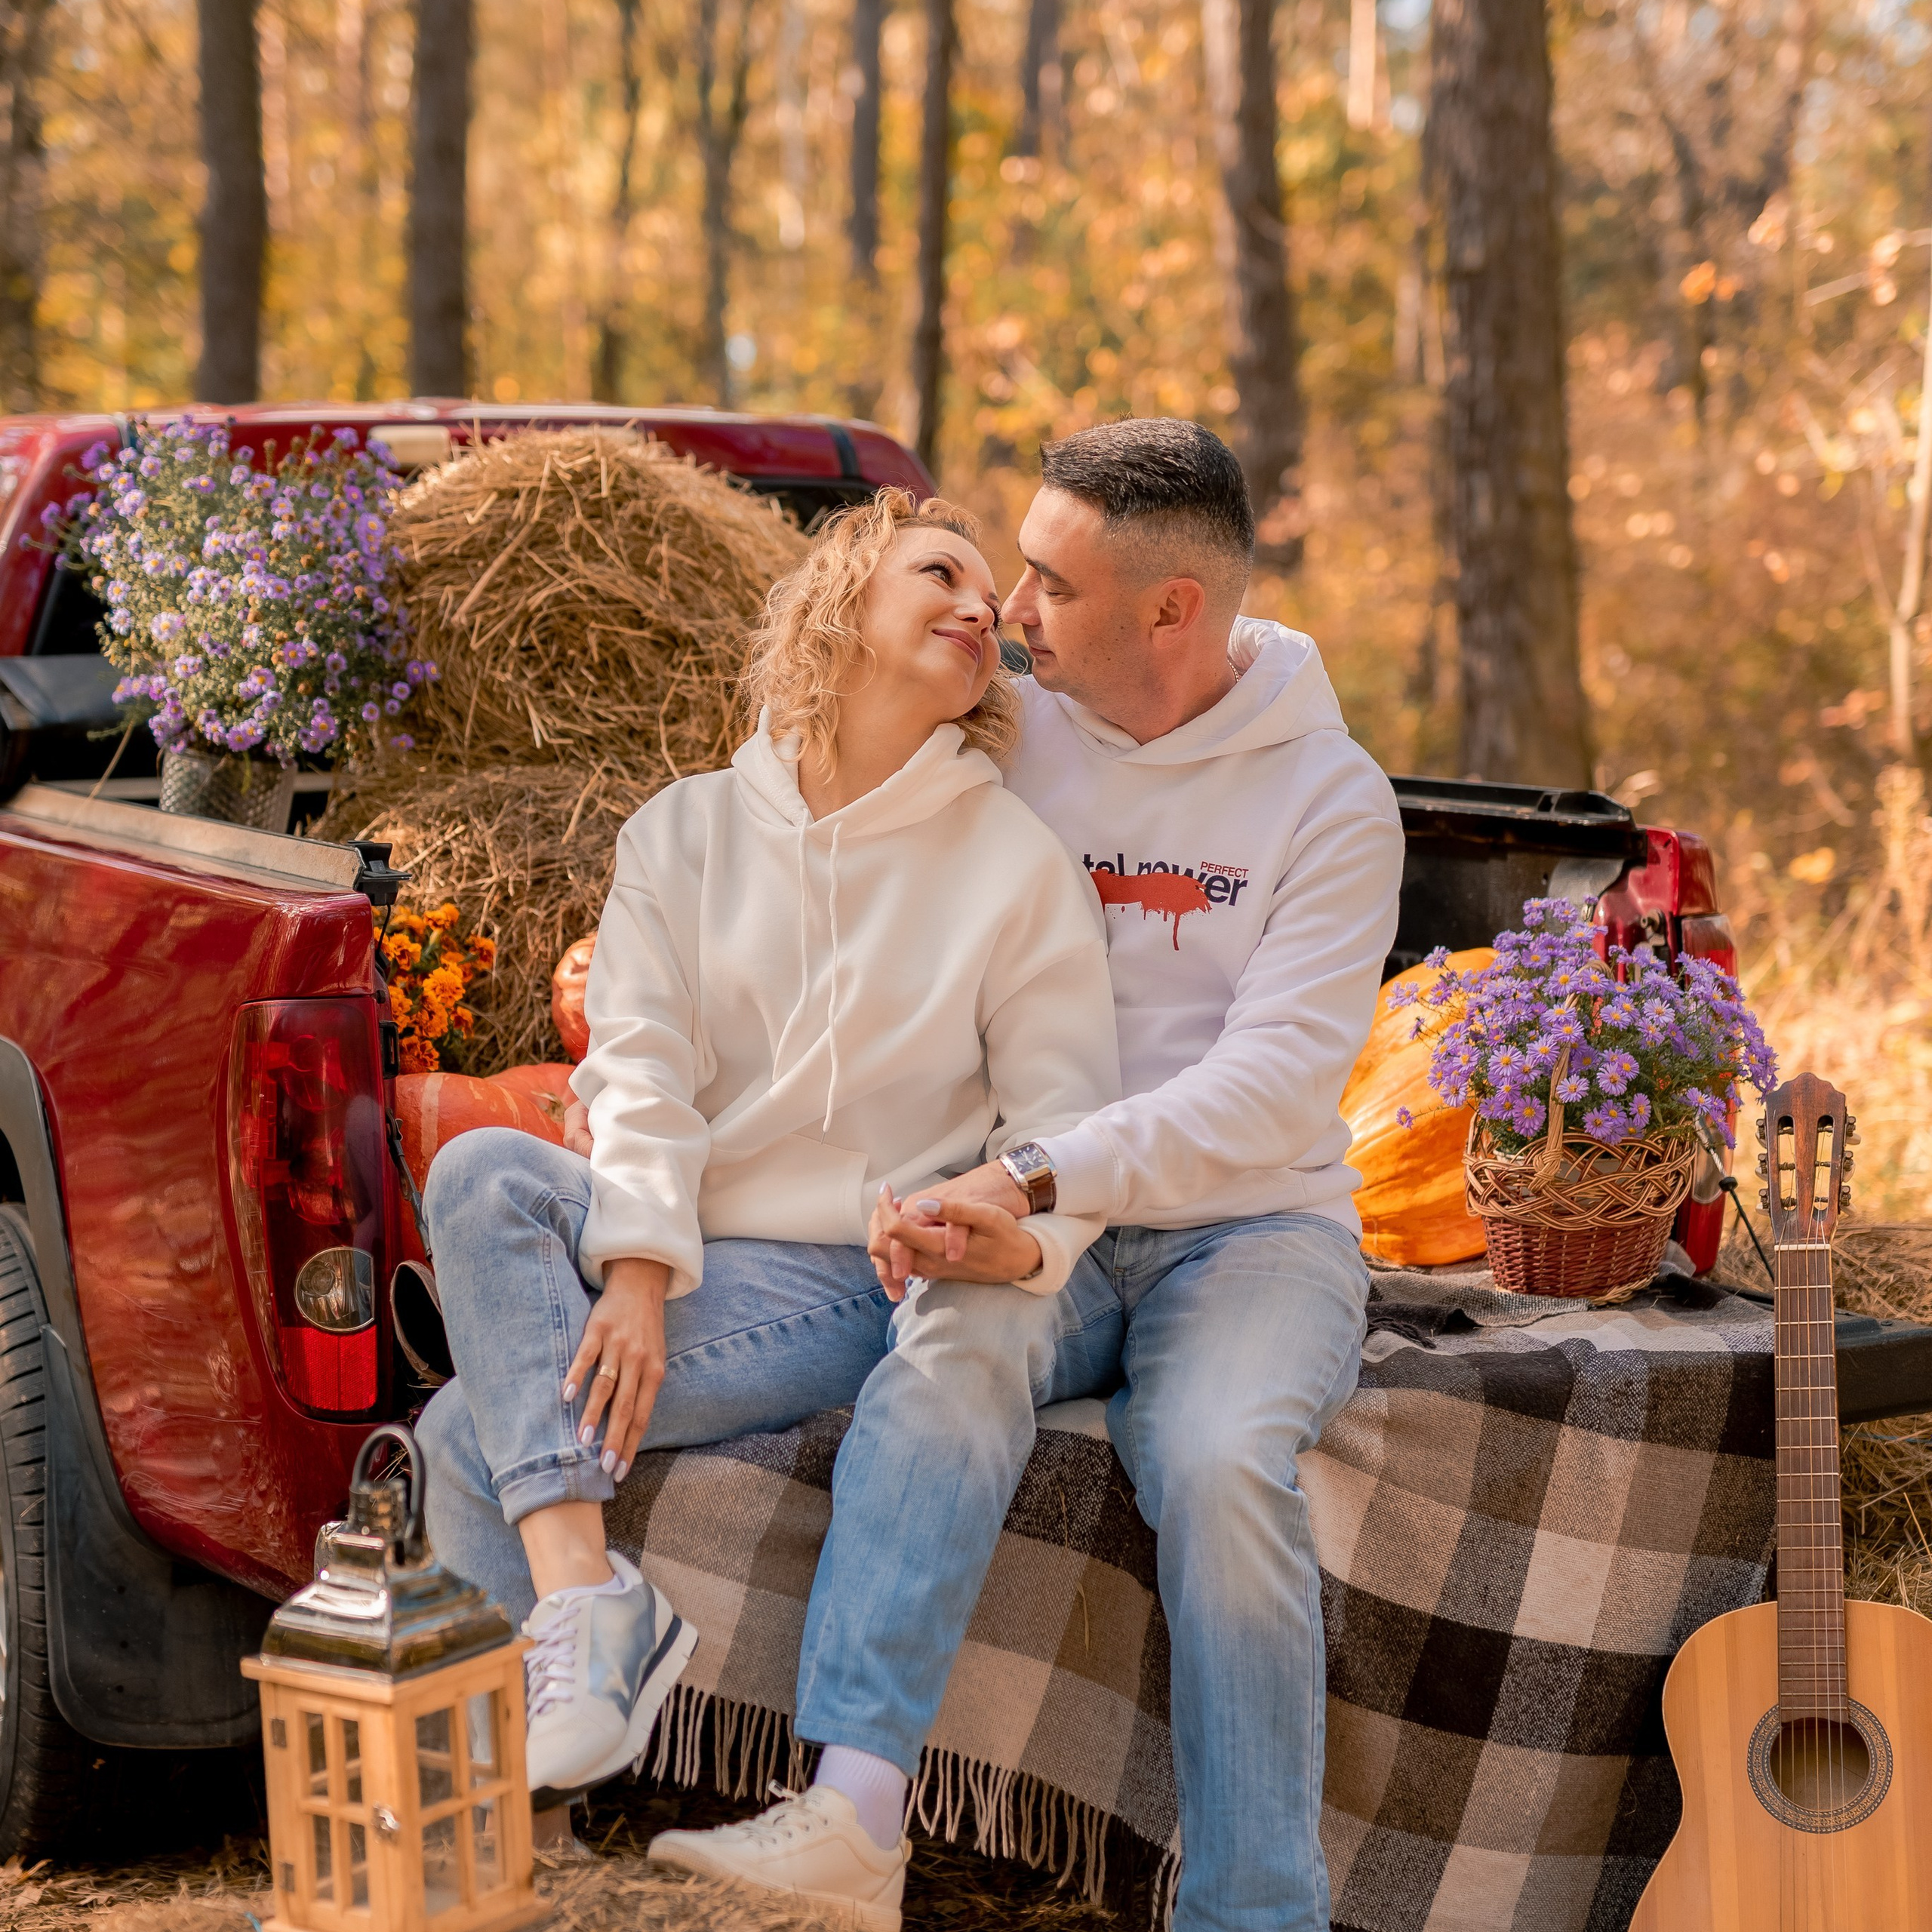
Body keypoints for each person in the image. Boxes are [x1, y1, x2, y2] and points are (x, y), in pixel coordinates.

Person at [646, 420, 1405, 1932]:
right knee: (945, 1347)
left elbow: (1263, 1093)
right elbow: (827, 842)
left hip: (1244, 1232)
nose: (1011, 613)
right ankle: (853, 1825)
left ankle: (1254, 1911)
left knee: (1213, 1460)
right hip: (1025, 1206)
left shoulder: (1330, 800)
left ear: (1170, 609)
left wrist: (1038, 1175)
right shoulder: (1008, 725)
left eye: (1050, 585)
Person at [414, 488, 1121, 1893]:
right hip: (688, 1245)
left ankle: (497, 1849)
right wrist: (635, 1270)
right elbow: (640, 1074)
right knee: (483, 1165)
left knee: (461, 1424)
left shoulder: (1014, 866)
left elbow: (1065, 1124)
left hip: (861, 1279)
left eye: (995, 600)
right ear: (840, 599)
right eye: (941, 573)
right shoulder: (681, 833)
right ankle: (585, 1608)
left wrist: (973, 1215)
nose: (983, 608)